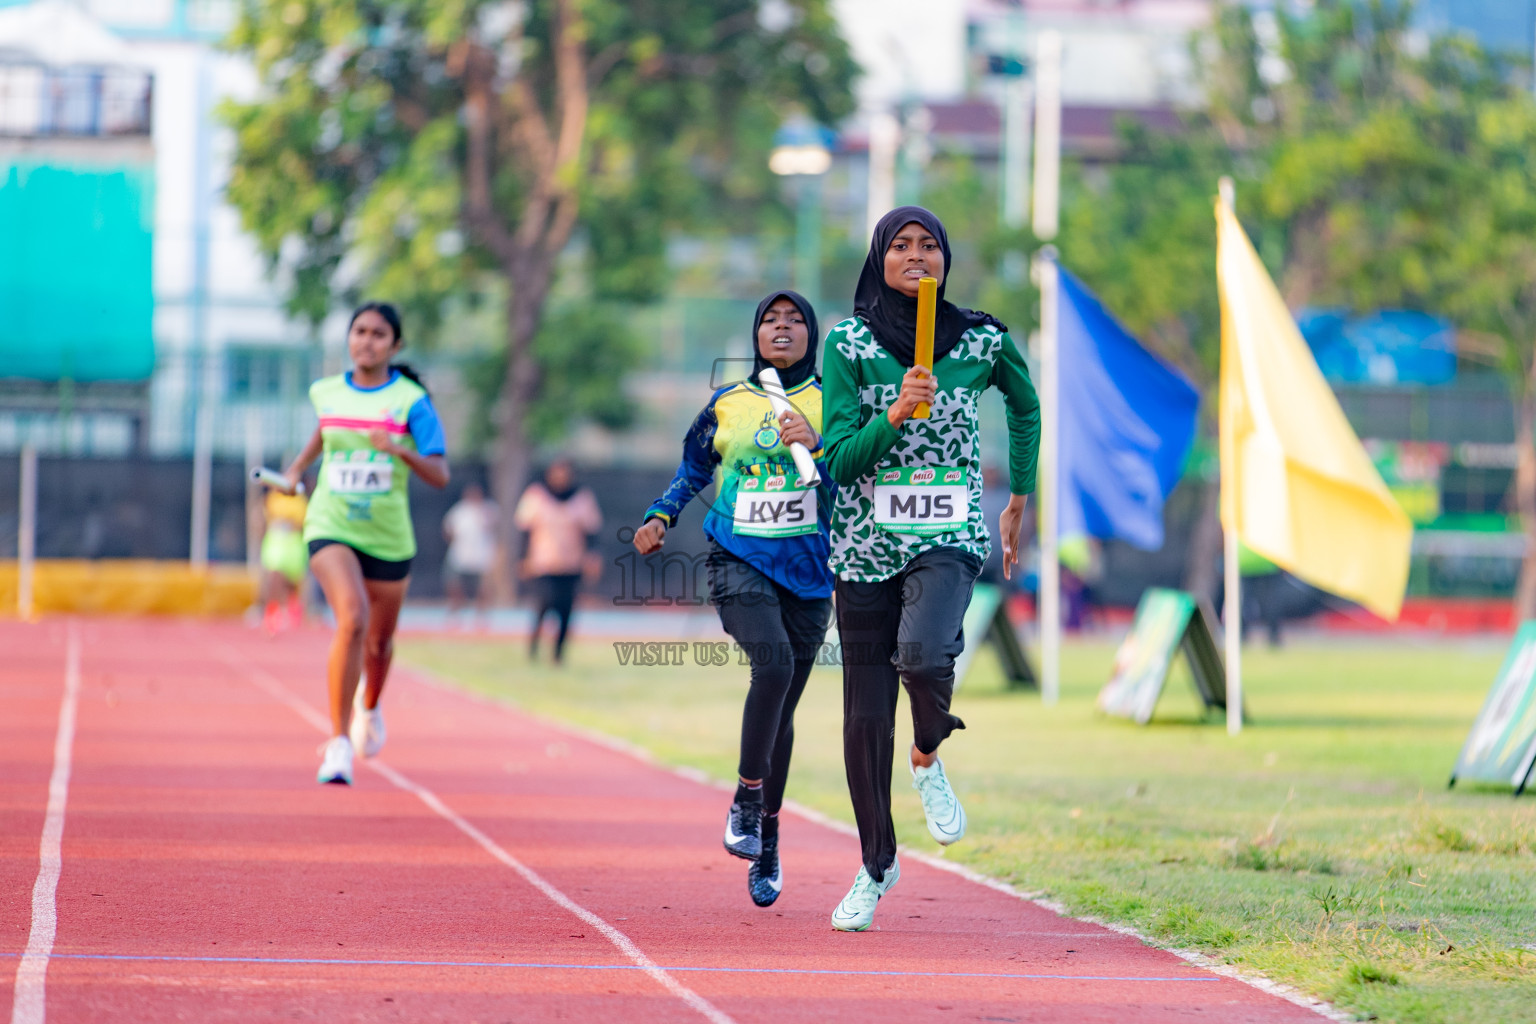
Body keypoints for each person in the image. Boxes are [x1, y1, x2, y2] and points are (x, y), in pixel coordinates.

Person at [821, 207, 1040, 931]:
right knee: (862, 719)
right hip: (863, 544)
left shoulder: (982, 339)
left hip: (946, 532)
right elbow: (838, 462)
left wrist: (1019, 497)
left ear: (947, 260)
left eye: (930, 247)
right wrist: (893, 415)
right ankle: (876, 864)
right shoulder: (848, 344)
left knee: (923, 654)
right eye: (901, 247)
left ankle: (926, 754)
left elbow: (1026, 405)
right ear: (879, 258)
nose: (917, 257)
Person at [633, 290, 833, 908]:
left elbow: (859, 465)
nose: (781, 327)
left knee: (783, 709)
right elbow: (692, 468)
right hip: (737, 557)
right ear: (754, 336)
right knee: (771, 665)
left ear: (812, 335)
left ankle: (768, 835)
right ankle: (748, 798)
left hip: (813, 569)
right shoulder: (727, 403)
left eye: (795, 319)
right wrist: (660, 515)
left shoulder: (839, 401)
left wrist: (822, 445)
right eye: (770, 320)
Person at [281, 302, 450, 785]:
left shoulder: (411, 402)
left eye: (379, 334)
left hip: (388, 536)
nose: (367, 341)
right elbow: (325, 434)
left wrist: (397, 449)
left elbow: (440, 472)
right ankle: (337, 744)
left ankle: (369, 707)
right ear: (349, 338)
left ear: (395, 346)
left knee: (378, 641)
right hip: (331, 523)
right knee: (351, 617)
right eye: (359, 331)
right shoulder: (327, 392)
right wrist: (296, 470)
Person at [515, 459, 602, 663]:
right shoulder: (536, 495)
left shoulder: (582, 498)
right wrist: (523, 558)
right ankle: (534, 648)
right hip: (543, 563)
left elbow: (592, 531)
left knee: (566, 609)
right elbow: (524, 529)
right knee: (544, 604)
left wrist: (593, 558)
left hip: (571, 563)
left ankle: (558, 654)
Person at [443, 482, 499, 624]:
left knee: (482, 588)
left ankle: (481, 615)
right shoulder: (459, 511)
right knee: (455, 586)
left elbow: (495, 527)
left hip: (481, 557)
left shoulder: (488, 509)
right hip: (460, 556)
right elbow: (448, 529)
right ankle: (455, 614)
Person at [258, 485, 309, 633]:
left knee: (292, 582)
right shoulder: (273, 498)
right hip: (275, 542)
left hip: (293, 543)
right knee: (275, 576)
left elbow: (302, 523)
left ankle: (294, 608)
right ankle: (272, 614)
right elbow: (266, 518)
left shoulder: (299, 499)